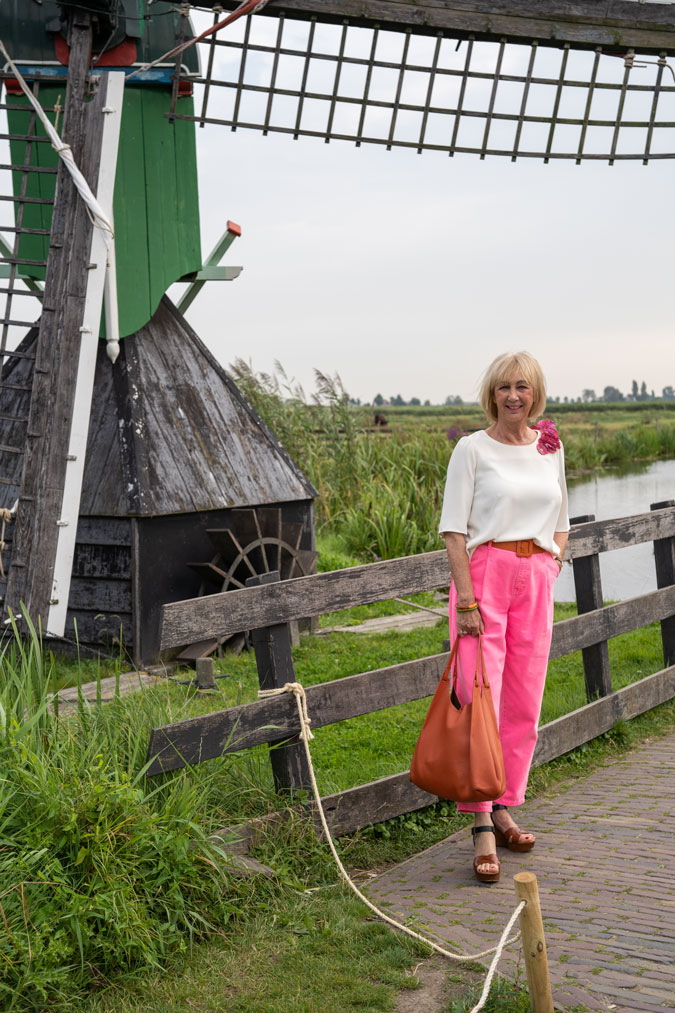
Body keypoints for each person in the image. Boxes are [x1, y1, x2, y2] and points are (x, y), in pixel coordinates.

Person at [438, 351, 569, 883]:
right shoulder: (472, 449)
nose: (513, 396)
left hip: (535, 576)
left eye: (523, 386)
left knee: (523, 701)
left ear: (535, 393)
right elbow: (453, 530)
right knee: (479, 702)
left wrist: (553, 561)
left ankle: (506, 803)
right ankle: (481, 828)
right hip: (485, 577)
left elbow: (561, 516)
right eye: (503, 387)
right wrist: (467, 600)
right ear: (491, 394)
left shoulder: (549, 448)